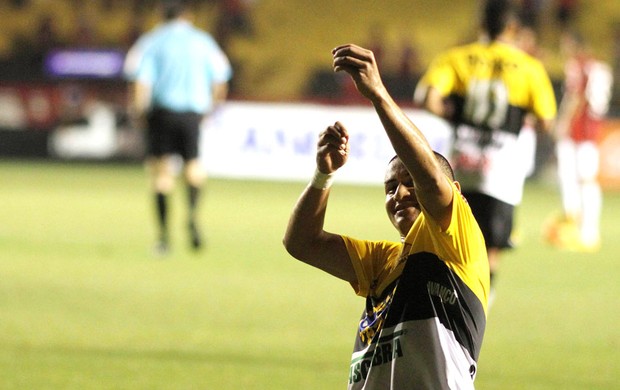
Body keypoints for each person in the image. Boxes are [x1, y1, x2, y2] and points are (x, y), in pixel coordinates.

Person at [283, 44, 489, 389]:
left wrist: (378, 94)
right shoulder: (383, 263)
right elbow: (301, 243)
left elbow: (430, 179)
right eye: (390, 188)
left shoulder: (456, 240)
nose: (399, 194)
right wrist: (323, 175)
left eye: (409, 183)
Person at [413, 0, 557, 290]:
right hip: (501, 170)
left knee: (451, 235)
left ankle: (444, 300)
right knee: (490, 247)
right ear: (513, 27)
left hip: (461, 164)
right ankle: (479, 307)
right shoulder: (529, 68)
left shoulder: (456, 58)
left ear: (480, 25)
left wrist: (452, 114)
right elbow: (545, 121)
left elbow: (426, 98)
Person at [124, 0, 232, 255]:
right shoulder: (203, 42)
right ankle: (193, 216)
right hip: (192, 112)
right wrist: (211, 108)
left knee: (161, 175)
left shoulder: (151, 42)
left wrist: (139, 112)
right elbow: (221, 76)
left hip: (161, 112)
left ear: (161, 15)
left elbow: (141, 79)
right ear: (188, 16)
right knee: (193, 167)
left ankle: (163, 238)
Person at [543, 31, 613, 252]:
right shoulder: (597, 66)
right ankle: (587, 230)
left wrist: (562, 123)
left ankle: (577, 228)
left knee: (573, 180)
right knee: (585, 180)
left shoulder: (577, 65)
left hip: (577, 131)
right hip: (591, 131)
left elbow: (576, 96)